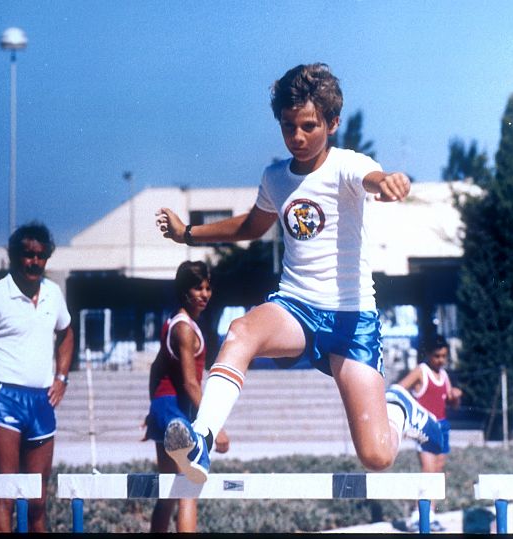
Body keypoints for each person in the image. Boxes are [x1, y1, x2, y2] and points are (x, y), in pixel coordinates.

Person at [154, 63, 443, 484]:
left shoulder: (347, 165)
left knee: (377, 456)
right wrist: (189, 235)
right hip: (295, 307)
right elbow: (252, 226)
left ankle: (401, 408)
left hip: (351, 319)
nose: (298, 138)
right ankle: (201, 439)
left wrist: (390, 181)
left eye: (309, 126)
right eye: (288, 127)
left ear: (332, 122)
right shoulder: (276, 178)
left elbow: (373, 180)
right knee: (240, 331)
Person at [0, 222, 74, 532]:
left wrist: (62, 378)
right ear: (14, 257)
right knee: (5, 496)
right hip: (5, 399)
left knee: (37, 499)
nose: (34, 262)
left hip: (41, 401)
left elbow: (67, 334)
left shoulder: (53, 293)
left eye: (40, 256)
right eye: (27, 255)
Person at [145, 261, 230, 532]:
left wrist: (152, 410)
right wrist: (217, 426)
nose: (205, 294)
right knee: (189, 490)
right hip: (176, 411)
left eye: (208, 287)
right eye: (197, 288)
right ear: (184, 291)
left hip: (164, 407)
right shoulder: (185, 329)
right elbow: (191, 383)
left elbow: (155, 368)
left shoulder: (173, 322)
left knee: (169, 491)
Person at [395, 334, 461, 532]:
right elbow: (398, 390)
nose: (441, 360)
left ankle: (430, 514)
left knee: (438, 474)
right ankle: (418, 515)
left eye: (444, 356)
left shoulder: (445, 375)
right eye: (437, 356)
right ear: (428, 355)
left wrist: (455, 397)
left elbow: (451, 405)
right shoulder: (420, 371)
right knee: (427, 471)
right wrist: (408, 418)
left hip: (442, 427)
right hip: (424, 428)